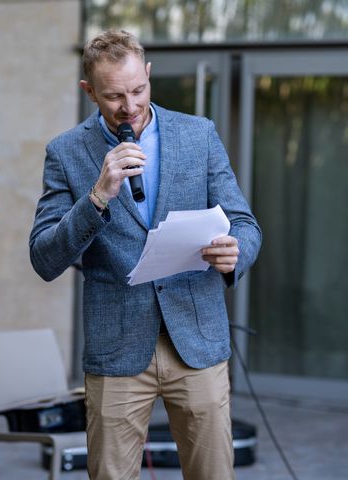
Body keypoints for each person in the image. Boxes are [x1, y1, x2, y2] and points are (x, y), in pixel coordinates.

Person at [29, 30, 261, 480]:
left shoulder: (199, 135)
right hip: (117, 348)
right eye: (114, 96)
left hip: (196, 340)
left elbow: (245, 225)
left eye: (138, 90)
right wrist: (97, 196)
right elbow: (43, 258)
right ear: (89, 91)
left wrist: (237, 252)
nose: (130, 107)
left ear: (149, 75)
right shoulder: (65, 152)